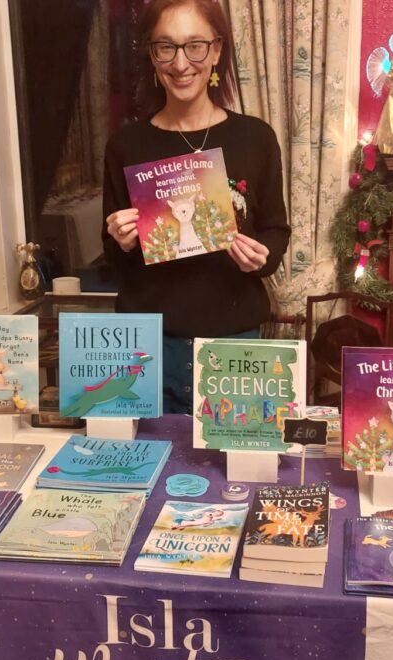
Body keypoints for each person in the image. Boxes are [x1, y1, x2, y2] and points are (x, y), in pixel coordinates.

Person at [102, 0, 289, 414]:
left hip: (233, 340)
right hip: (145, 345)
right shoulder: (125, 145)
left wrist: (262, 257)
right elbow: (114, 256)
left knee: (237, 473)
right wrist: (121, 239)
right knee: (143, 469)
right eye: (165, 47)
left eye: (195, 46)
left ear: (217, 51)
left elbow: (276, 228)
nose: (181, 63)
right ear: (152, 55)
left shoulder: (255, 138)